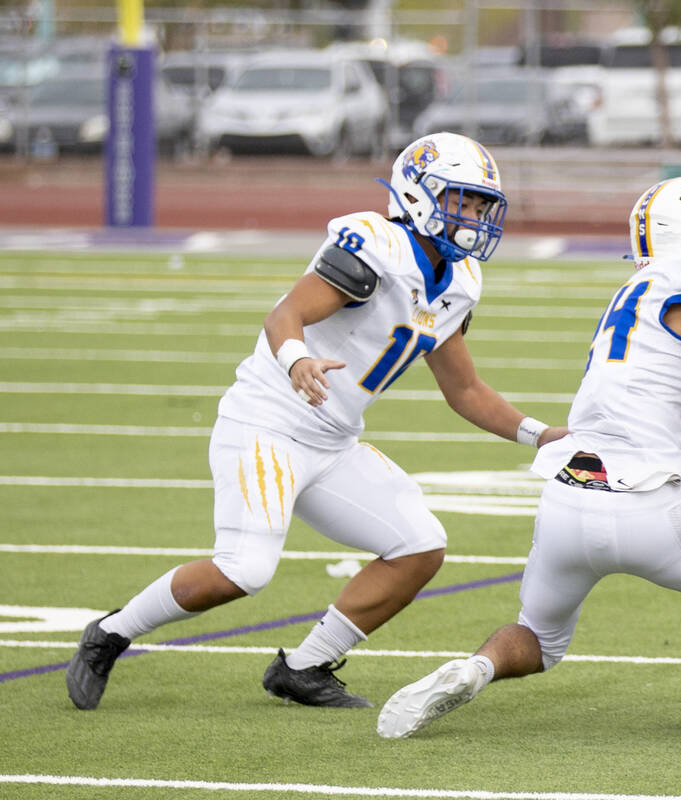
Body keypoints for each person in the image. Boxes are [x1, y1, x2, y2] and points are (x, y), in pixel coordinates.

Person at [66, 132, 568, 711]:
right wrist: (297, 358)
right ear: (420, 195)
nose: (475, 216)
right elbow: (288, 314)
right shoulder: (377, 243)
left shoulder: (459, 281)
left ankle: (304, 666)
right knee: (245, 569)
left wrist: (539, 434)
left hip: (333, 441)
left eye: (482, 205)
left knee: (420, 545)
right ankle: (110, 633)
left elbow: (466, 389)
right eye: (464, 201)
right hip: (268, 423)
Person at [375, 177, 681, 743]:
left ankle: (474, 668)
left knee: (536, 638)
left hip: (567, 494)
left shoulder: (638, 289)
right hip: (646, 502)